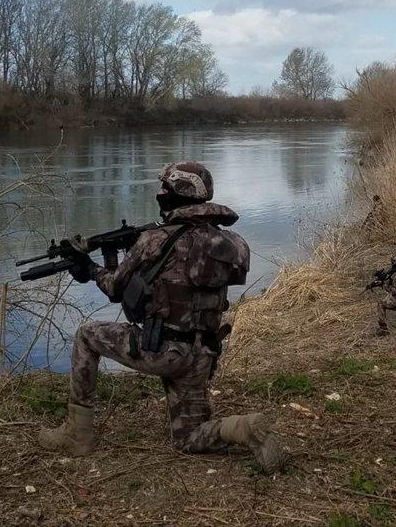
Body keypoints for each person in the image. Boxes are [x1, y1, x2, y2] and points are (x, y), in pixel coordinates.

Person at [37, 161, 287, 474]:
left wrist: (89, 268)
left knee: (86, 335)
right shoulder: (230, 243)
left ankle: (77, 435)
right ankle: (245, 428)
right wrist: (118, 255)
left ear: (176, 194)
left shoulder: (153, 240)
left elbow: (114, 288)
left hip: (164, 352)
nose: (160, 193)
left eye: (165, 188)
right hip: (202, 355)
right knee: (188, 439)